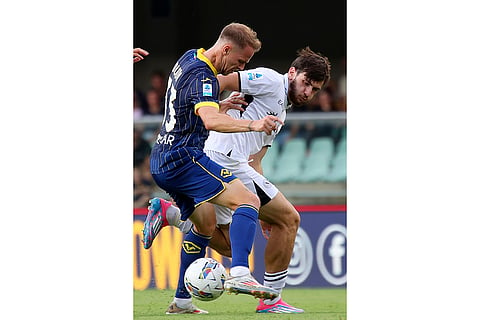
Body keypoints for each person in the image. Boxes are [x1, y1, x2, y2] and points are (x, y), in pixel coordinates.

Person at [144, 47, 332, 314]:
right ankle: (270, 299)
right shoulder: (269, 80)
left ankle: (173, 217)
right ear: (292, 73)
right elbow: (222, 80)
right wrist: (213, 105)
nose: (308, 93)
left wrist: (266, 213)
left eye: (315, 90)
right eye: (306, 84)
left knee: (226, 242)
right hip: (222, 157)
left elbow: (256, 162)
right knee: (290, 218)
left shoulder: (281, 110)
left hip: (233, 161)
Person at [142, 22, 283, 315]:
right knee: (248, 199)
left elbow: (191, 105)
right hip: (185, 158)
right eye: (240, 61)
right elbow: (209, 121)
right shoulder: (203, 75)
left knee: (205, 226)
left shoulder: (190, 58)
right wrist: (253, 123)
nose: (238, 69)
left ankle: (181, 300)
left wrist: (222, 104)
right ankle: (241, 273)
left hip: (163, 158)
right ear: (227, 49)